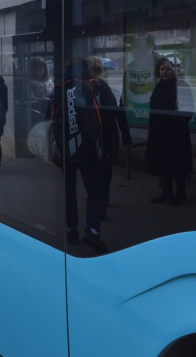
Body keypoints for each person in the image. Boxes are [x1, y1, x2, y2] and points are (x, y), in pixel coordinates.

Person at [52, 58, 108, 254]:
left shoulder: (58, 86)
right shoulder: (92, 85)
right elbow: (104, 116)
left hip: (66, 150)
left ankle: (71, 229)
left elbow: (49, 118)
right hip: (90, 151)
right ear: (86, 69)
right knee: (95, 191)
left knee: (69, 190)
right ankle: (92, 230)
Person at [85, 57, 132, 218]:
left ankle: (103, 200)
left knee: (104, 168)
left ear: (97, 71)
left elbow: (117, 113)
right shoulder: (84, 88)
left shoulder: (103, 88)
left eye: (89, 69)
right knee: (97, 170)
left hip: (105, 136)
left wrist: (126, 137)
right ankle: (100, 199)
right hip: (94, 136)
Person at [145, 57, 194, 206]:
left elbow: (188, 110)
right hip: (160, 133)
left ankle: (180, 194)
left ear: (174, 70)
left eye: (167, 69)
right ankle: (166, 192)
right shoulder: (159, 85)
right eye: (162, 69)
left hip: (176, 133)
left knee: (178, 164)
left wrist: (173, 126)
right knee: (164, 163)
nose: (164, 72)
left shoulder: (181, 86)